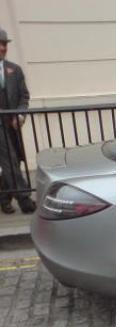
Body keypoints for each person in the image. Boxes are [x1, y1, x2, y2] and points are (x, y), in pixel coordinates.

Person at [0, 27, 35, 214]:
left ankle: (4, 197)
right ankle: (25, 199)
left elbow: (24, 96)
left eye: (4, 44)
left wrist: (20, 114)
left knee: (16, 160)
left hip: (12, 124)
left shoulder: (15, 69)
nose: (2, 48)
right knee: (10, 159)